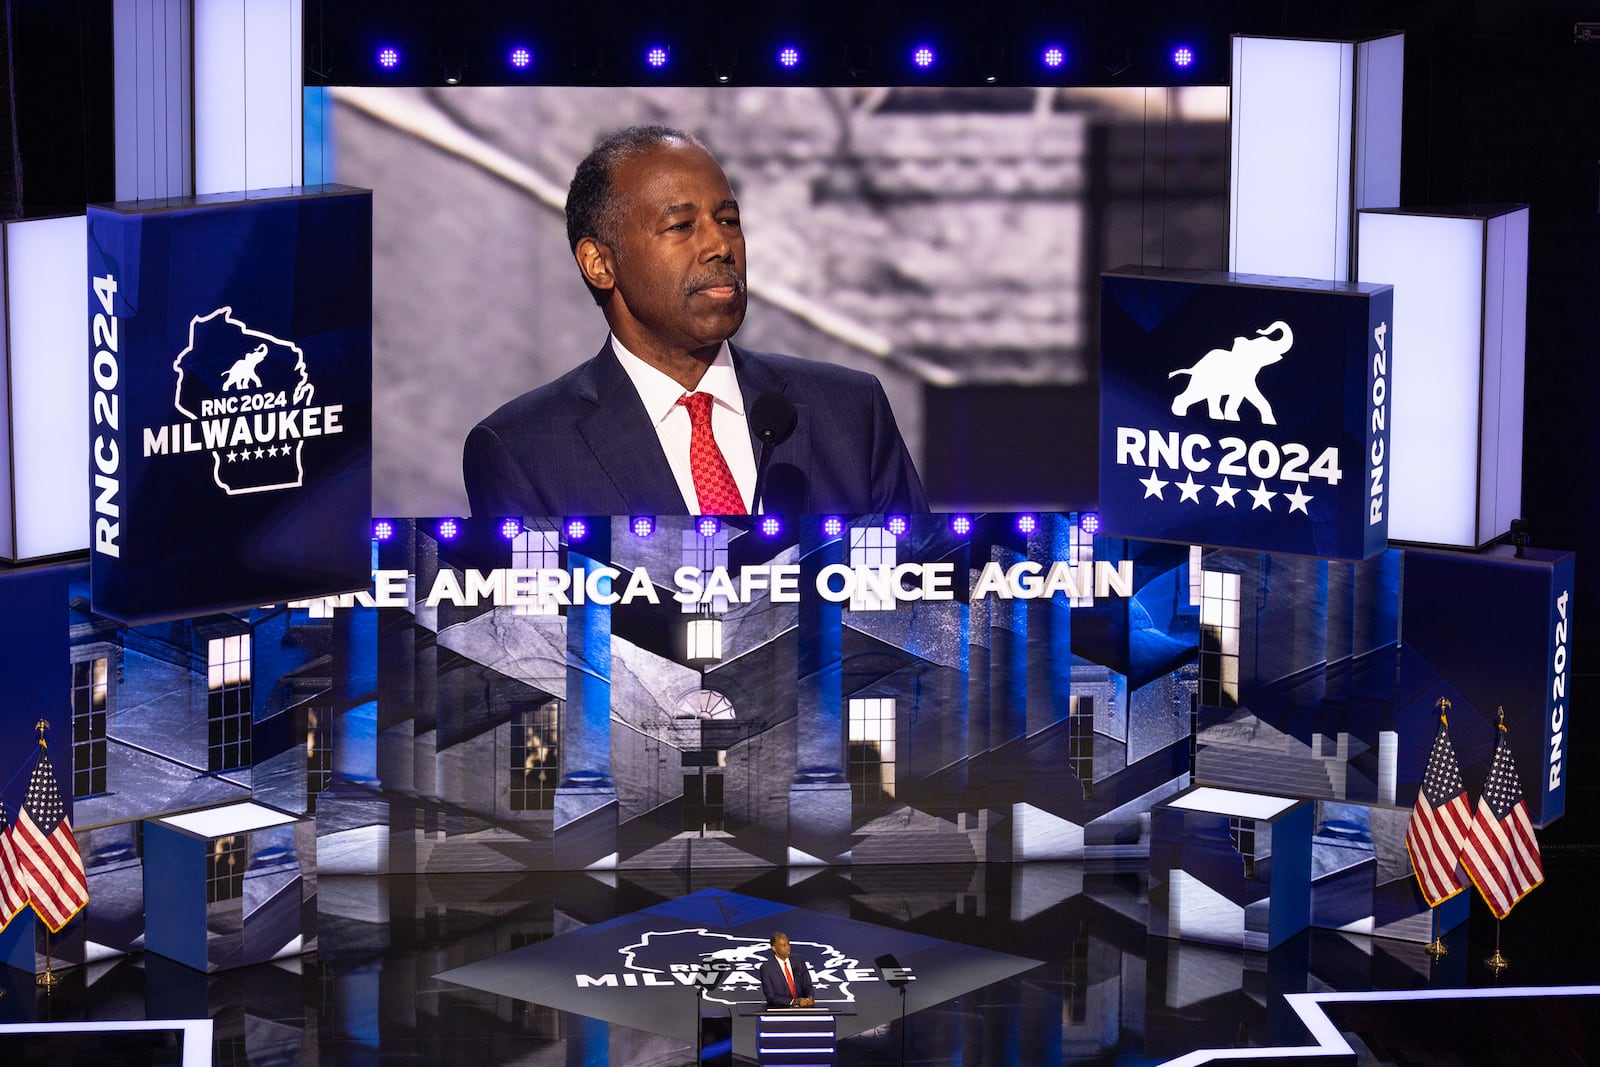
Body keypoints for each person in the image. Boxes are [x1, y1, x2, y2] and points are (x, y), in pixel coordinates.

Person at [463, 125, 928, 518]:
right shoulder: (523, 450)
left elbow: (922, 603)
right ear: (599, 263)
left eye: (728, 220)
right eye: (681, 226)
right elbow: (538, 628)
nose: (720, 246)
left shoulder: (850, 412)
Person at [759, 932, 815, 1008]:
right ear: (774, 948)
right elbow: (771, 996)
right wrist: (794, 1002)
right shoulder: (767, 968)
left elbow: (807, 985)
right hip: (780, 1010)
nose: (787, 948)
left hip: (803, 1008)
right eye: (783, 945)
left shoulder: (799, 961)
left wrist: (809, 998)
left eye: (788, 944)